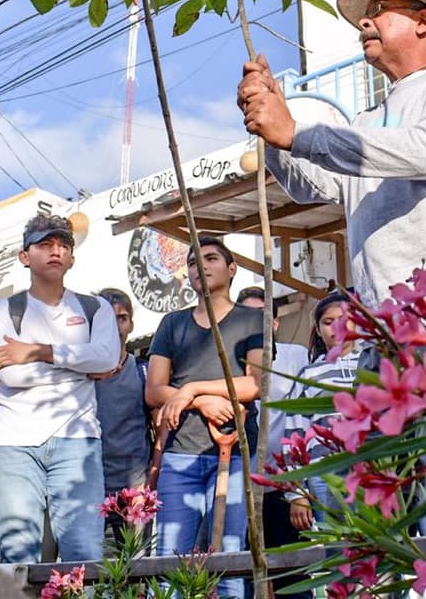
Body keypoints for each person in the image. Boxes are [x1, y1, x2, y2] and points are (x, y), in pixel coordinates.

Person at [237, 0, 426, 308]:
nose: (364, 23)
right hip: (386, 324)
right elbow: (311, 185)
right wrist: (269, 125)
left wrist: (294, 132)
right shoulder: (366, 121)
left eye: (379, 9)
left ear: (423, 21)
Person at [0, 214, 120, 564]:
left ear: (72, 258)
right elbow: (12, 376)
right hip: (12, 442)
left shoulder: (95, 308)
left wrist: (37, 351)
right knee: (18, 555)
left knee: (84, 554)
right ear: (24, 256)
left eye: (63, 245)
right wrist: (81, 368)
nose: (56, 251)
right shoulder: (2, 309)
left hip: (78, 439)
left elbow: (107, 358)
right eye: (45, 244)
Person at [146, 237, 263, 599]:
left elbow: (256, 383)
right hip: (180, 454)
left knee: (228, 562)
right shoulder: (172, 323)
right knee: (169, 563)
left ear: (232, 269)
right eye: (194, 262)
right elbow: (153, 390)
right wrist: (201, 403)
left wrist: (192, 389)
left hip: (236, 453)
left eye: (211, 258)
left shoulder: (252, 319)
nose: (201, 266)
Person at [236, 285, 311, 588]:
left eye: (262, 316)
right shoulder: (229, 358)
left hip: (284, 483)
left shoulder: (296, 356)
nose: (255, 323)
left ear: (276, 323)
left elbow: (302, 421)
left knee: (291, 574)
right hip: (241, 484)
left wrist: (298, 490)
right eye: (247, 316)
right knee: (240, 570)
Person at [282, 292, 361, 533]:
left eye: (344, 320)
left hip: (370, 467)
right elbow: (294, 436)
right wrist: (297, 494)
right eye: (328, 322)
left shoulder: (371, 364)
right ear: (317, 329)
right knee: (335, 543)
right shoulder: (309, 375)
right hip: (324, 473)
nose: (337, 328)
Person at [93, 287, 152, 539]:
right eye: (108, 317)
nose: (116, 326)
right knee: (85, 560)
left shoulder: (143, 372)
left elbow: (160, 427)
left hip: (134, 486)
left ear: (131, 324)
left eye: (122, 318)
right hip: (90, 484)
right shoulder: (81, 375)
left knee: (136, 559)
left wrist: (151, 478)